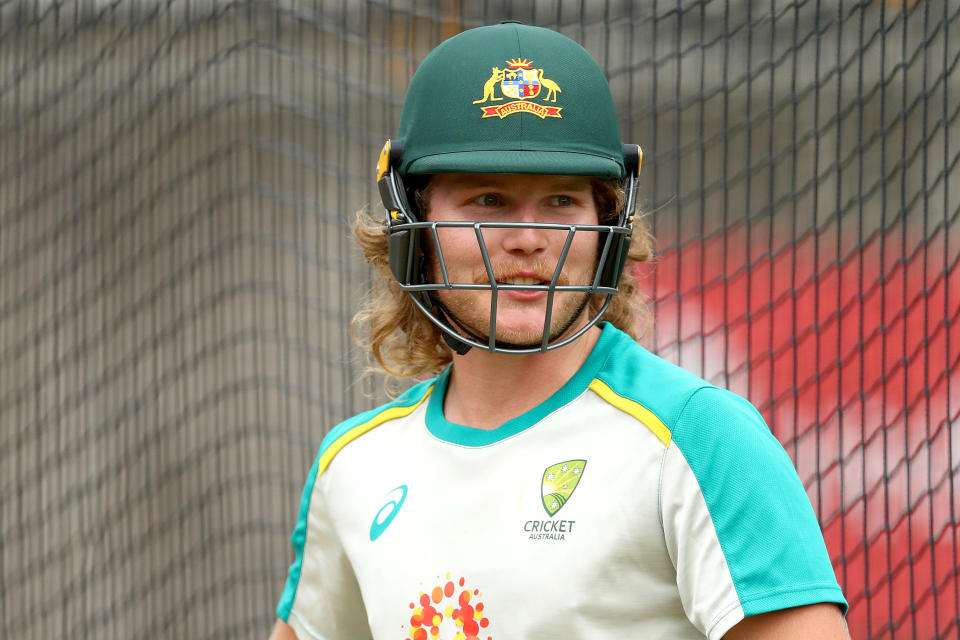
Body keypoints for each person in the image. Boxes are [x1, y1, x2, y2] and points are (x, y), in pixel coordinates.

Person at [270, 22, 849, 640]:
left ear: (608, 225)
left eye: (561, 201)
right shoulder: (353, 465)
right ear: (413, 222)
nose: (528, 237)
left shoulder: (698, 437)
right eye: (488, 199)